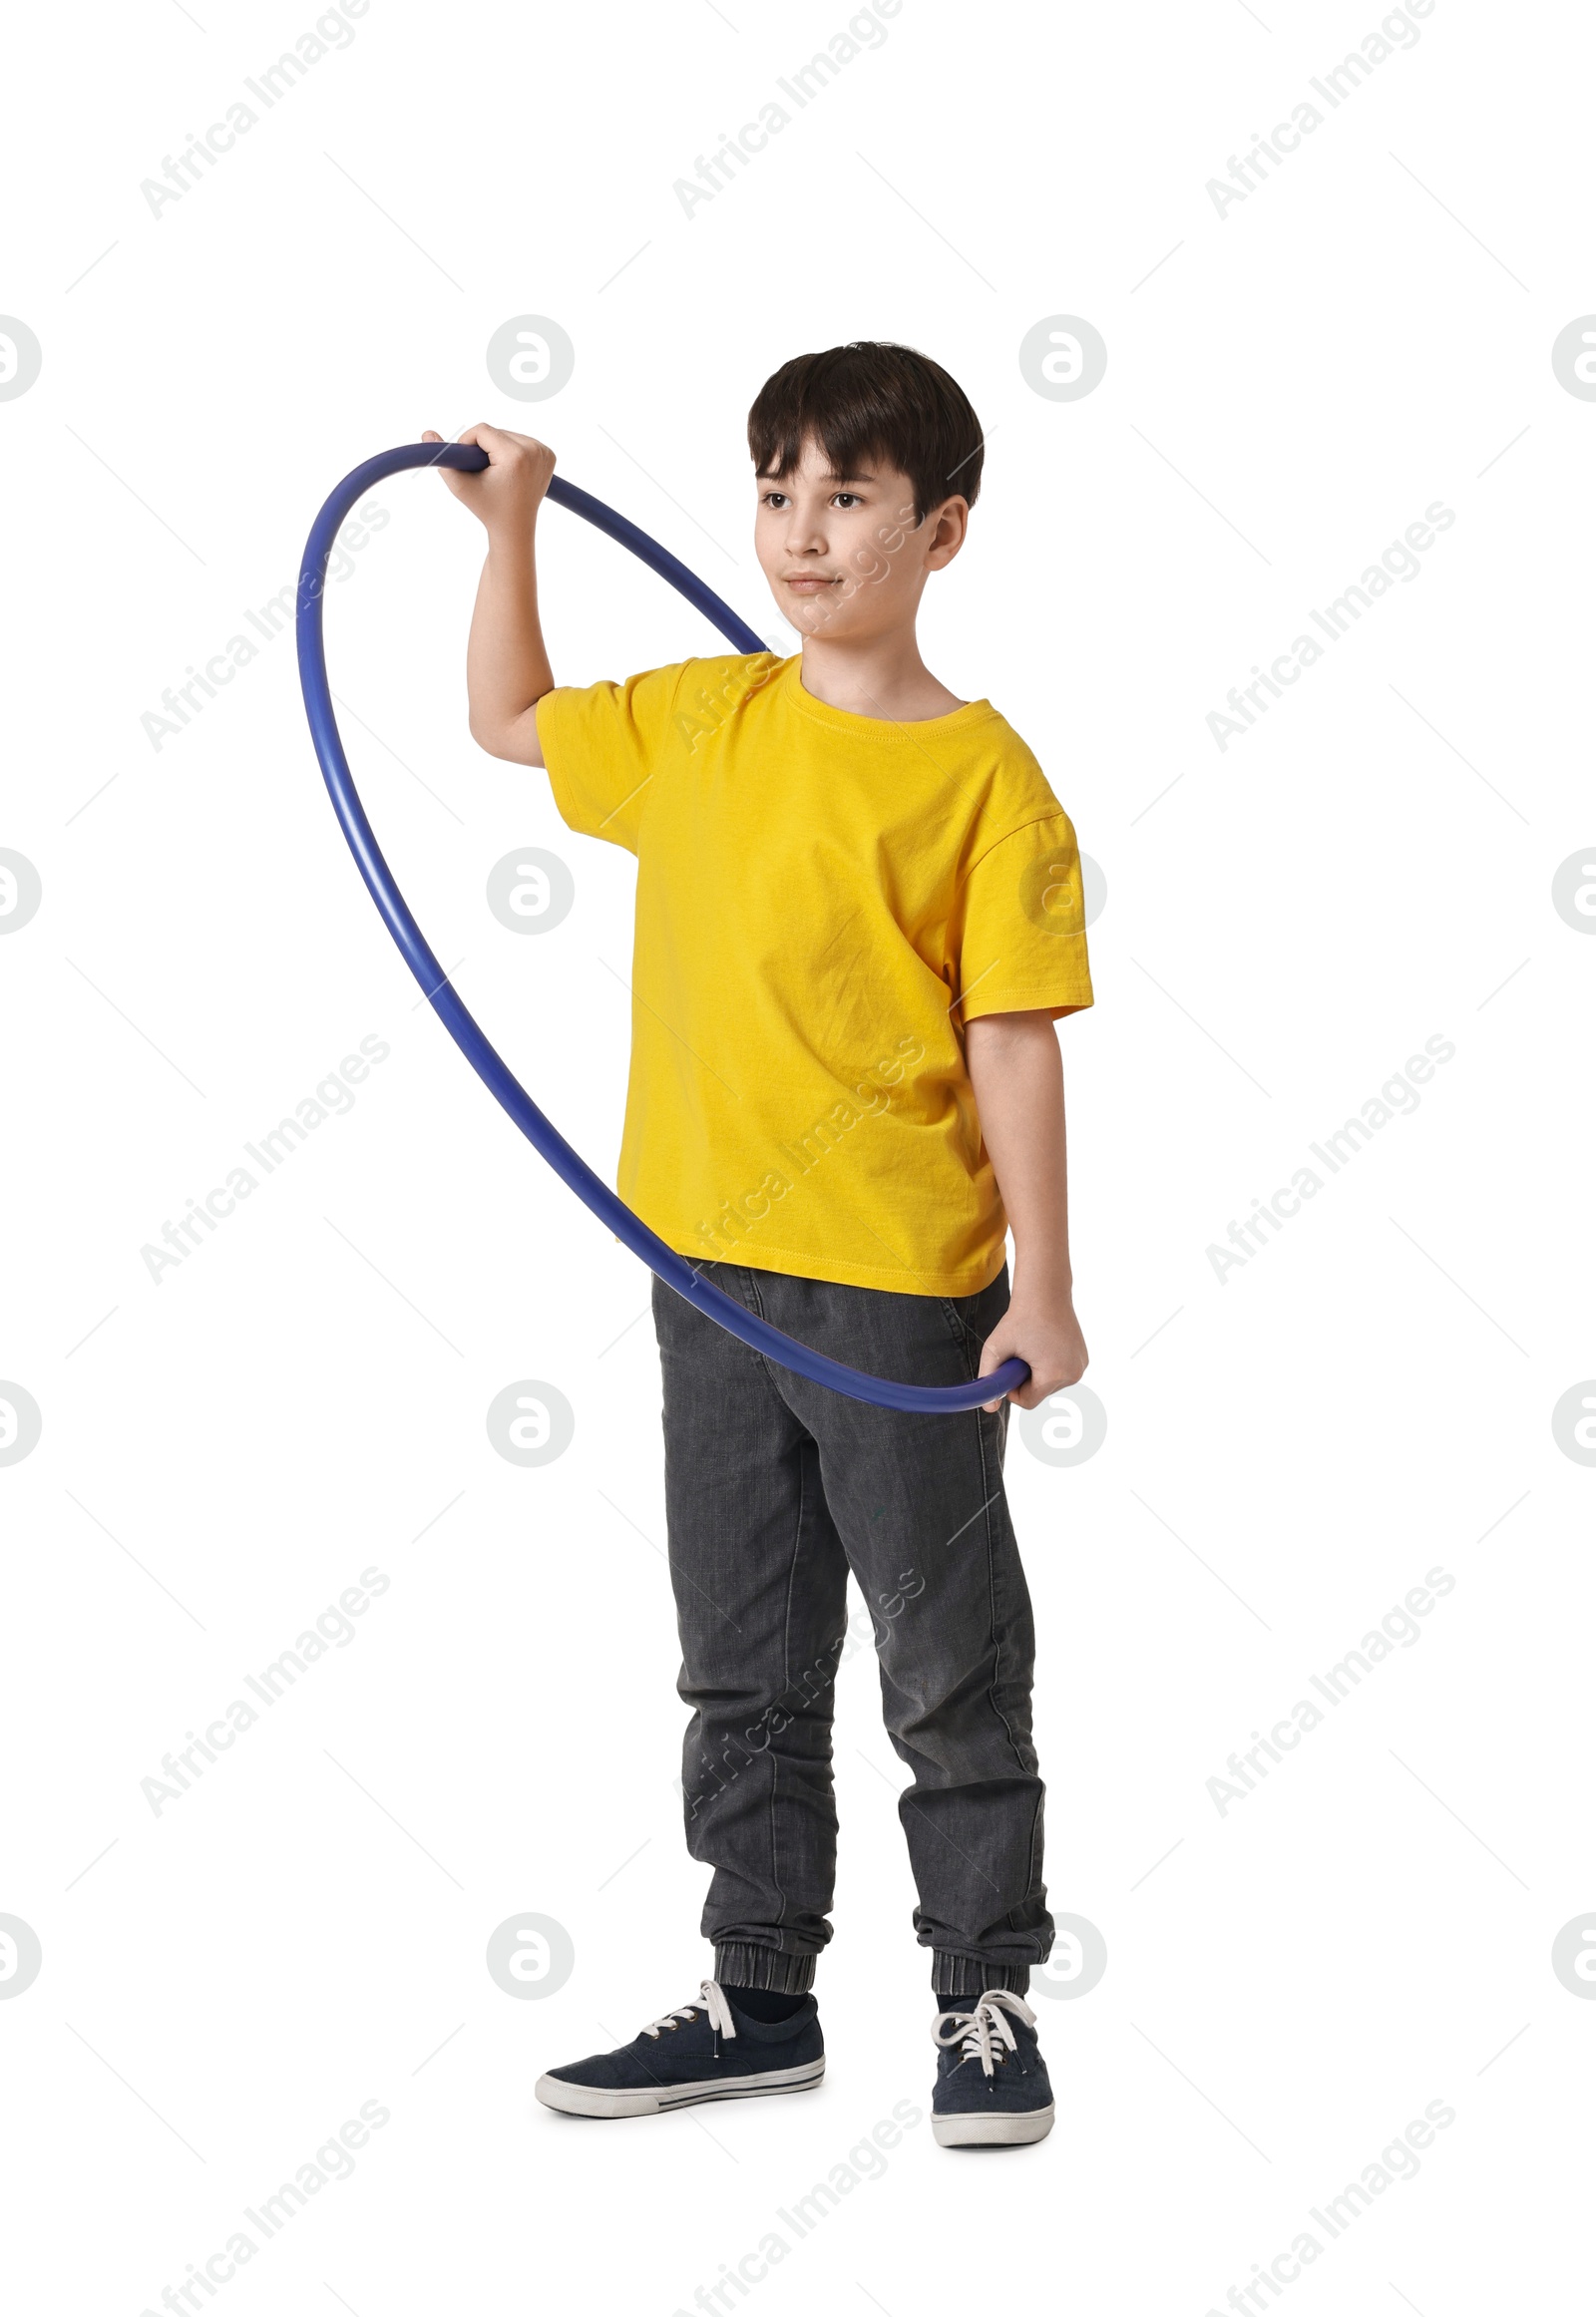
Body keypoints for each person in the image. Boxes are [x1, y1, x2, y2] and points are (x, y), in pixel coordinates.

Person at [424, 340, 1093, 2148]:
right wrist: (518, 526)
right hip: (704, 1275)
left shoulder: (986, 783)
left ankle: (985, 1997)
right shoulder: (710, 723)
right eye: (778, 489)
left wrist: (1041, 1281)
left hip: (899, 1295)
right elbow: (507, 720)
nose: (803, 530)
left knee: (949, 1659)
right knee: (742, 1650)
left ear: (942, 530)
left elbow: (1010, 1038)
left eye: (850, 495)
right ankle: (759, 1993)